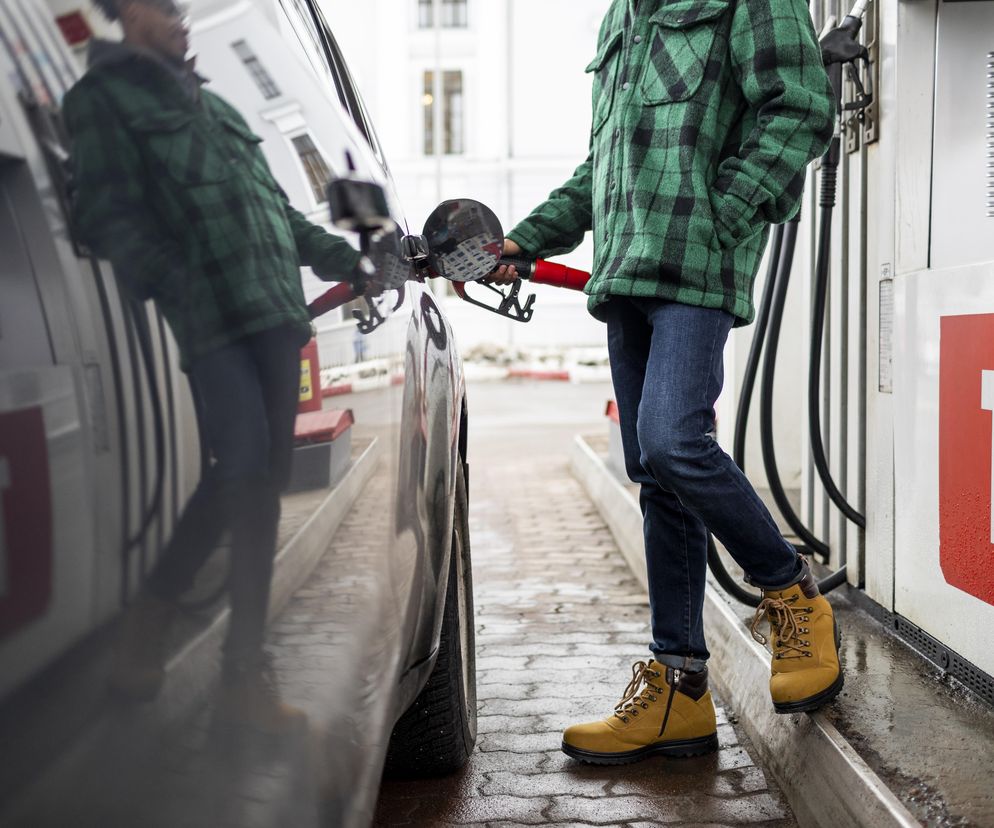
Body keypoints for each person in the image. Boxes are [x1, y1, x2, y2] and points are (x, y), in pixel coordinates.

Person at [492, 0, 838, 763]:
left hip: (696, 264)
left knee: (674, 439)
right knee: (655, 473)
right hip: (626, 275)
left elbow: (801, 105)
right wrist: (522, 239)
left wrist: (726, 211)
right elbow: (601, 167)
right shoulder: (623, 17)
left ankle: (790, 593)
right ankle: (679, 688)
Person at [63, 0, 369, 732]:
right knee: (240, 476)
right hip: (213, 319)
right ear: (125, 15)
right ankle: (159, 623)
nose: (178, 17)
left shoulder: (214, 103)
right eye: (163, 7)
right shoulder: (103, 100)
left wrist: (350, 259)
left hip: (274, 318)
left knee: (258, 486)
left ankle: (241, 677)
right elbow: (101, 217)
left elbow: (276, 213)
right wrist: (179, 280)